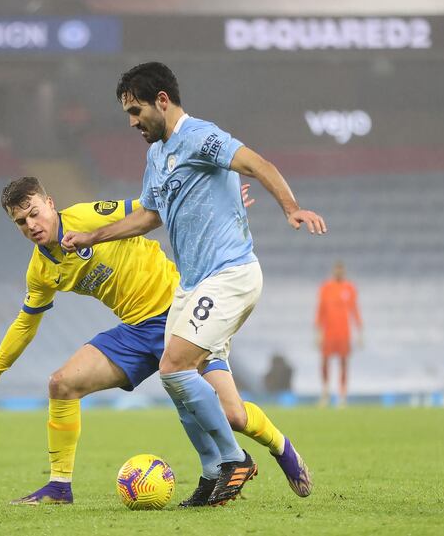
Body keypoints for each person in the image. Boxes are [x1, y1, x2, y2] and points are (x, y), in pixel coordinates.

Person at [62, 62, 325, 505]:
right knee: (221, 405)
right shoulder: (156, 156)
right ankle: (230, 469)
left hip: (230, 275)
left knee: (173, 368)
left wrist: (290, 208)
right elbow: (148, 216)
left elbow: (256, 163)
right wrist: (92, 236)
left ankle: (232, 460)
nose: (131, 122)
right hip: (192, 287)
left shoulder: (200, 136)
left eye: (135, 110)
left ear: (162, 100)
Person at [0, 176, 311, 508]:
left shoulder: (87, 216)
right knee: (61, 383)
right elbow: (25, 324)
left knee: (233, 416)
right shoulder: (41, 270)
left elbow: (151, 208)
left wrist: (218, 202)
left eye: (34, 212)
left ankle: (281, 448)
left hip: (181, 314)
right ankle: (59, 485)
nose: (31, 225)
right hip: (136, 330)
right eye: (21, 222)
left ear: (50, 204)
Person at [316, 261, 362, 407]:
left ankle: (342, 395)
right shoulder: (326, 287)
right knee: (324, 361)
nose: (339, 272)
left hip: (343, 332)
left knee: (343, 362)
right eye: (337, 270)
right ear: (334, 271)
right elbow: (321, 310)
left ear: (344, 271)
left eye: (341, 270)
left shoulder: (349, 288)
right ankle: (325, 392)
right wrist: (318, 332)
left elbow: (354, 310)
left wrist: (359, 331)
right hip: (328, 332)